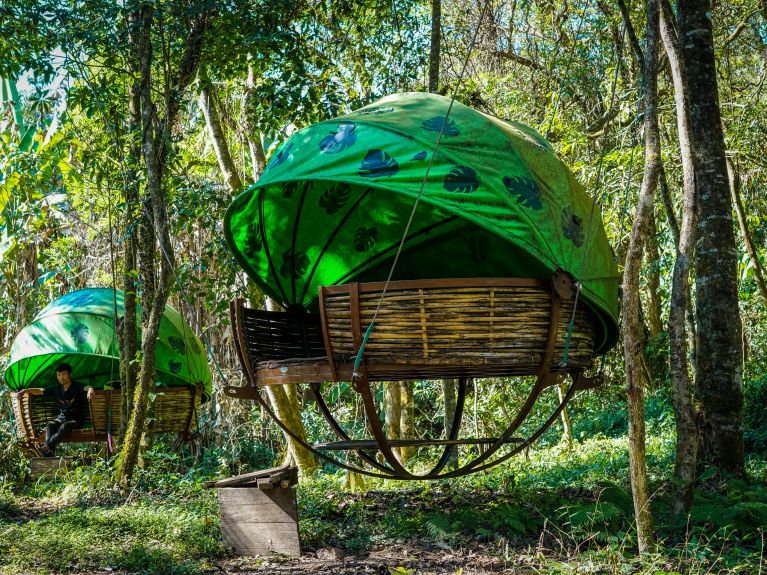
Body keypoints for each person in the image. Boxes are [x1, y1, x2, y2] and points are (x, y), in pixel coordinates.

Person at [18, 363, 94, 456]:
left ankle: (45, 447)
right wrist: (26, 390)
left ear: (70, 374)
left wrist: (90, 389)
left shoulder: (76, 386)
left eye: (64, 374)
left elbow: (86, 387)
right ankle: (49, 453)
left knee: (65, 426)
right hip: (62, 418)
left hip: (76, 420)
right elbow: (41, 391)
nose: (61, 377)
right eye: (59, 375)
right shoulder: (57, 388)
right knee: (50, 425)